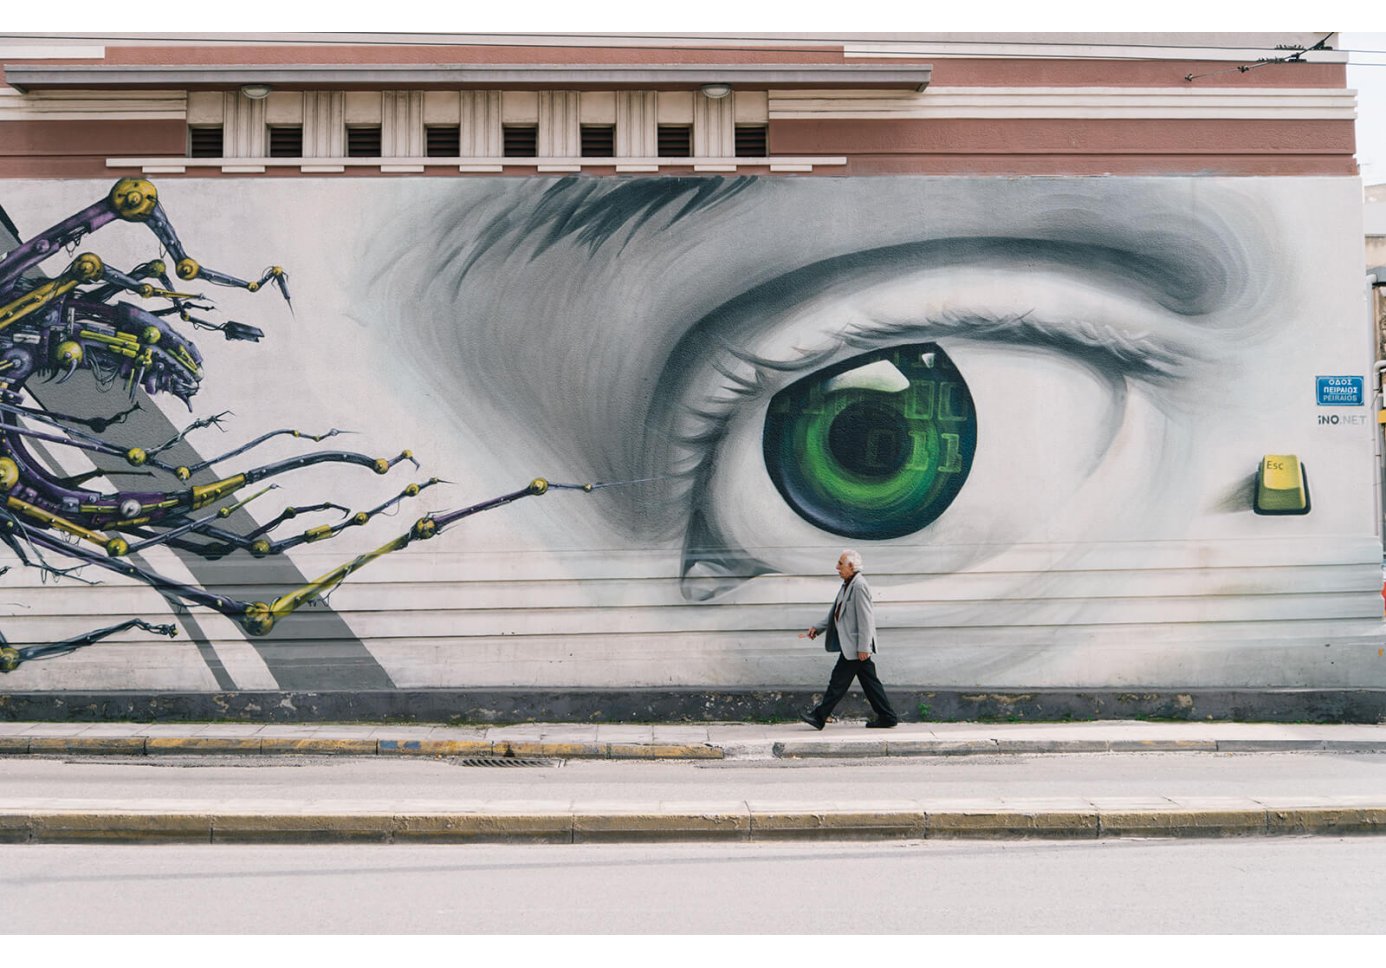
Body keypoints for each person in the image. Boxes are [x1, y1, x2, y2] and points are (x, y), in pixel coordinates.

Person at [799, 550, 899, 729]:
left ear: (851, 566)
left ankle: (819, 717)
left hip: (855, 646)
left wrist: (864, 647)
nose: (837, 567)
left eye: (840, 564)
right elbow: (836, 614)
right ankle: (888, 716)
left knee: (838, 682)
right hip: (853, 645)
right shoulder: (847, 584)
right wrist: (818, 628)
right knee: (870, 683)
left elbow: (866, 619)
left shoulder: (859, 585)